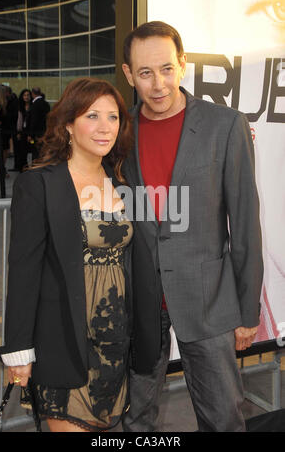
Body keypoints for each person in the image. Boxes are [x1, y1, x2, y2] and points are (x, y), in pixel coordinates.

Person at [121, 21, 264, 432]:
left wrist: (247, 309)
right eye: (145, 73)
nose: (158, 83)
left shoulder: (225, 125)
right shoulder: (119, 132)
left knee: (223, 418)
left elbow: (245, 224)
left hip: (210, 301)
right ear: (130, 75)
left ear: (182, 65)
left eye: (167, 68)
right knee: (136, 419)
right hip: (140, 303)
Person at [0, 78, 134, 432]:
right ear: (68, 123)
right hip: (62, 340)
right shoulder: (39, 183)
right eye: (93, 116)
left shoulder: (123, 182)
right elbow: (24, 272)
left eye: (114, 117)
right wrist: (19, 351)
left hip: (115, 343)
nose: (105, 127)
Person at [28, 87, 50, 161]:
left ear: (32, 94)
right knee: (42, 149)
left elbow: (33, 120)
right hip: (44, 130)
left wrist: (30, 134)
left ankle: (36, 165)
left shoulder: (34, 105)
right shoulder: (46, 103)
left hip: (36, 132)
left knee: (35, 150)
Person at [16, 89, 32, 172]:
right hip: (21, 131)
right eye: (24, 95)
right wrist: (18, 132)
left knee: (29, 150)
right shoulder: (20, 106)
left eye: (28, 95)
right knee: (22, 150)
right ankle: (23, 167)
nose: (26, 97)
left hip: (30, 131)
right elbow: (19, 120)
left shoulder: (32, 106)